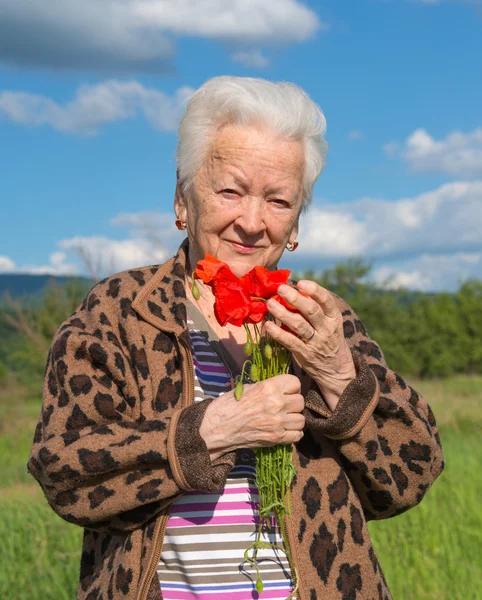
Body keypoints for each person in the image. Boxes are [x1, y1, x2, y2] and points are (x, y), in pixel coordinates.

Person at [28, 76, 444, 600]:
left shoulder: (317, 318)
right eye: (230, 190)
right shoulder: (119, 313)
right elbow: (64, 472)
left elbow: (411, 475)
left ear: (295, 225)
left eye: (278, 200)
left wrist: (338, 374)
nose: (251, 222)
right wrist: (213, 430)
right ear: (183, 199)